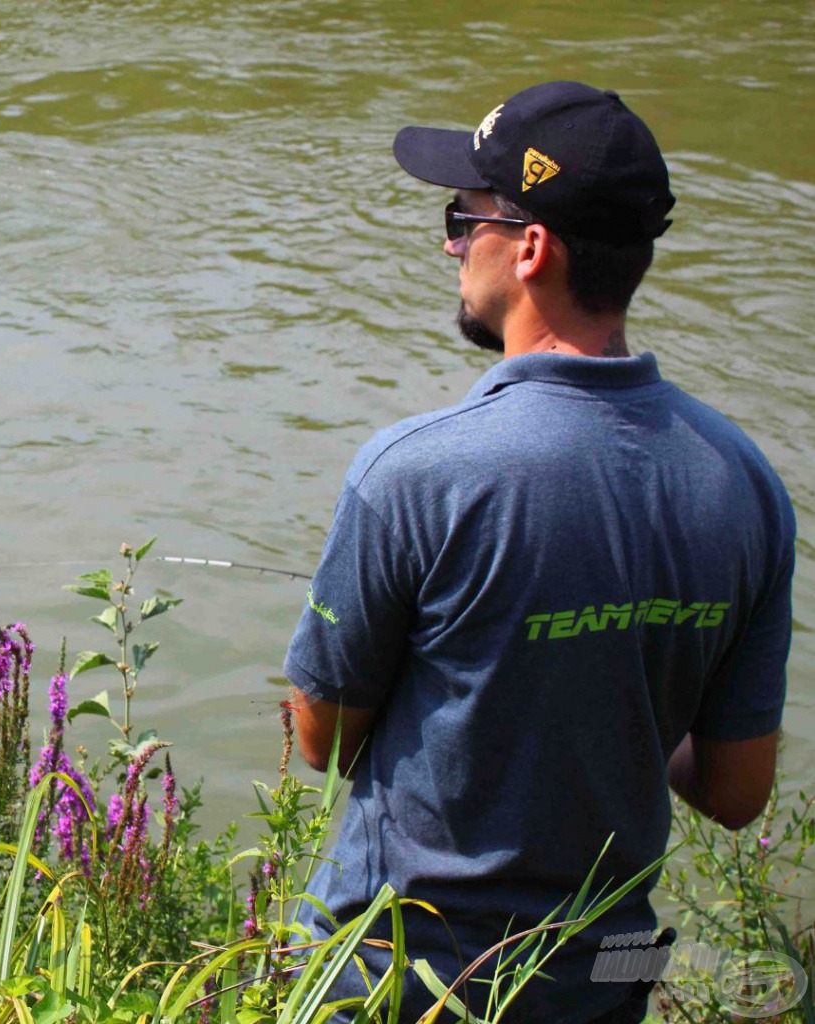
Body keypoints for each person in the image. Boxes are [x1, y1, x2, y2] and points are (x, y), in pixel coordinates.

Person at [282, 81, 795, 1024]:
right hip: (604, 979)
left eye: (461, 218)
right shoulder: (746, 483)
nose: (449, 245)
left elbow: (325, 739)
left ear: (530, 247)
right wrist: (624, 689)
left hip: (406, 978)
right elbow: (735, 791)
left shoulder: (415, 472)